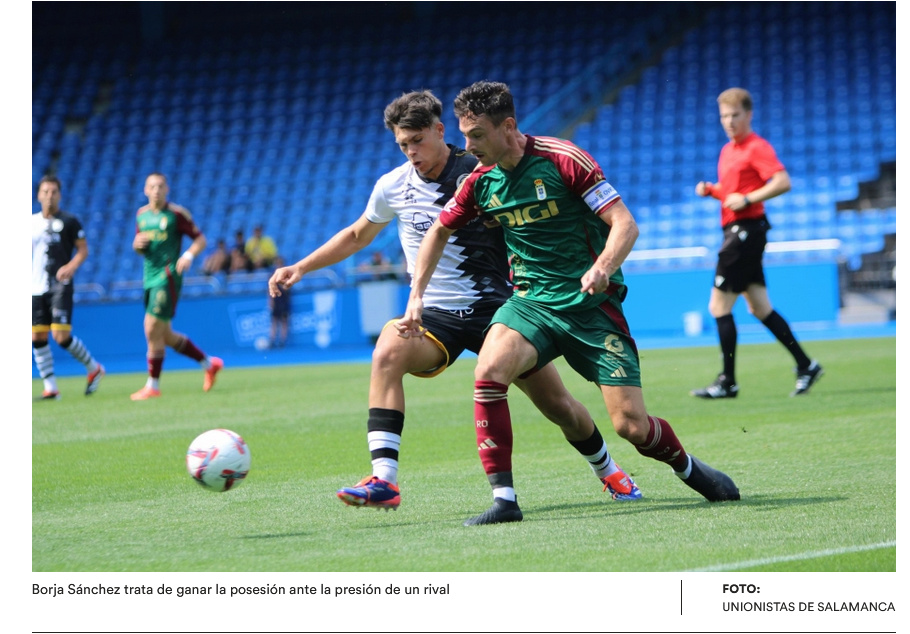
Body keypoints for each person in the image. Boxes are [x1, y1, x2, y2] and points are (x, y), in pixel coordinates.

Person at [269, 90, 640, 515]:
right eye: (403, 145)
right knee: (387, 351)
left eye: (418, 141)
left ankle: (608, 470)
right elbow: (357, 235)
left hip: (498, 309)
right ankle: (384, 480)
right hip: (434, 316)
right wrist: (300, 267)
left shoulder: (483, 170)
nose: (411, 153)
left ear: (441, 131)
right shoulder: (392, 186)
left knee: (557, 404)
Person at [399, 80, 740, 525]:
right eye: (464, 135)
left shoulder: (564, 160)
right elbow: (438, 232)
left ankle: (688, 468)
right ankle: (505, 500)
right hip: (531, 304)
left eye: (477, 135)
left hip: (591, 306)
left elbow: (625, 224)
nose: (468, 146)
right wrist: (416, 296)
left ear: (508, 127)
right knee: (489, 371)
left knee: (631, 427)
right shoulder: (480, 182)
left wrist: (602, 266)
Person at [691, 87, 823, 399]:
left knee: (718, 306)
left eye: (735, 115)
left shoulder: (756, 147)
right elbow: (734, 191)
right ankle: (806, 365)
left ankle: (728, 381)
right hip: (738, 230)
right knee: (760, 307)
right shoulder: (728, 151)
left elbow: (782, 181)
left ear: (748, 115)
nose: (729, 121)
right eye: (724, 116)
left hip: (746, 232)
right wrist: (713, 191)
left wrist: (749, 198)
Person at [130, 172, 224, 400]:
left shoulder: (176, 215)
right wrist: (136, 245)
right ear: (145, 190)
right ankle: (208, 363)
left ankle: (153, 385)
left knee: (151, 327)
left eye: (161, 186)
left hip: (168, 276)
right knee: (165, 335)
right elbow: (140, 246)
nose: (156, 190)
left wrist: (188, 256)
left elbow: (201, 240)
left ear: (167, 189)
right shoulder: (141, 216)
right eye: (152, 186)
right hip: (149, 277)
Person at [31, 175, 105, 399]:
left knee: (61, 336)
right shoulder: (30, 222)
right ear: (39, 195)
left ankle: (94, 368)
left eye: (53, 191)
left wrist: (71, 266)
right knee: (37, 337)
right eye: (45, 192)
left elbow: (83, 250)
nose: (49, 196)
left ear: (59, 195)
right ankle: (51, 388)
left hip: (60, 285)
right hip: (34, 285)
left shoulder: (70, 221)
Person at [268, 256, 291, 348]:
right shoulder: (272, 276)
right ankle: (272, 340)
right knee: (274, 321)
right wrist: (270, 301)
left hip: (284, 300)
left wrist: (282, 285)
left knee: (284, 321)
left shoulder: (286, 275)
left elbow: (288, 288)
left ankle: (282, 341)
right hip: (276, 300)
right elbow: (269, 290)